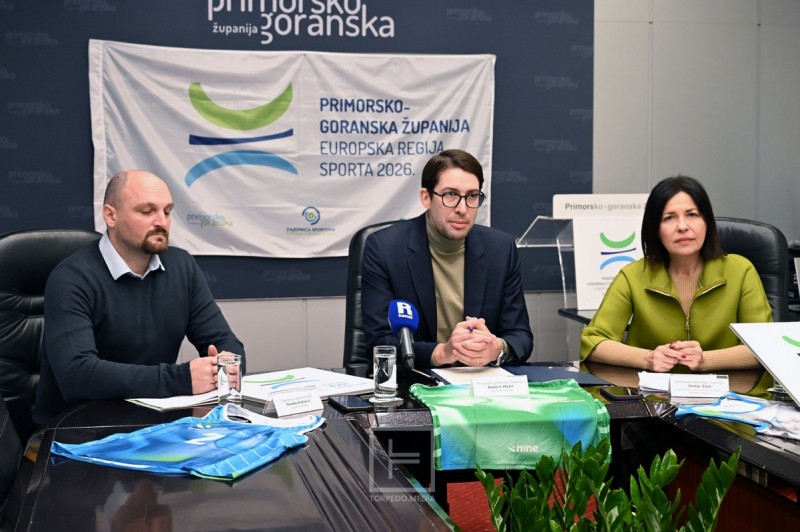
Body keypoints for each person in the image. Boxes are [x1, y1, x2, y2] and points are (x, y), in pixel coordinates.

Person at [34, 170, 245, 426]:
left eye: (167, 211)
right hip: (79, 429)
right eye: (147, 211)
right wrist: (182, 378)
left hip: (155, 423)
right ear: (111, 216)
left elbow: (225, 343)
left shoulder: (182, 266)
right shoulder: (71, 278)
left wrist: (224, 367)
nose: (162, 222)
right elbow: (77, 375)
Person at [361, 149, 533, 369]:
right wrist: (441, 352)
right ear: (426, 198)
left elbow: (520, 336)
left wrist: (497, 348)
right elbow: (379, 342)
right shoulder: (385, 248)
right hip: (416, 380)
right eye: (450, 194)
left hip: (480, 380)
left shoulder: (500, 249)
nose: (462, 209)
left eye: (472, 196)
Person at [580, 175, 772, 372]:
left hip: (729, 390)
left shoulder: (740, 271)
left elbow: (767, 346)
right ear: (655, 229)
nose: (682, 226)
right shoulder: (633, 276)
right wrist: (647, 359)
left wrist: (705, 360)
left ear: (707, 221)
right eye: (669, 218)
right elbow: (593, 342)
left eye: (692, 215)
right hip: (652, 390)